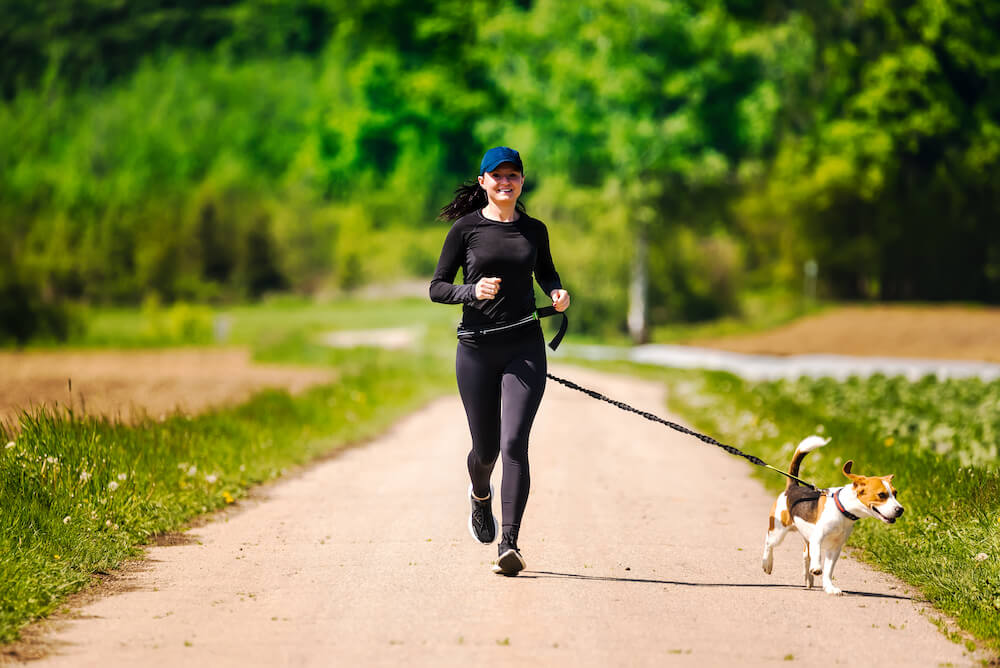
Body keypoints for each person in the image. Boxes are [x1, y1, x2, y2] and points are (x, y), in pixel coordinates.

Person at [429, 146, 570, 575]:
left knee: (514, 444)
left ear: (521, 182)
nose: (505, 183)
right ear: (483, 181)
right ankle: (479, 494)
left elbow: (546, 272)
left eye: (513, 176)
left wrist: (557, 292)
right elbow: (437, 287)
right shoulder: (465, 230)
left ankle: (509, 543)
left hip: (524, 346)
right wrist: (471, 292)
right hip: (475, 349)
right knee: (486, 449)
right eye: (497, 176)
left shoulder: (534, 230)